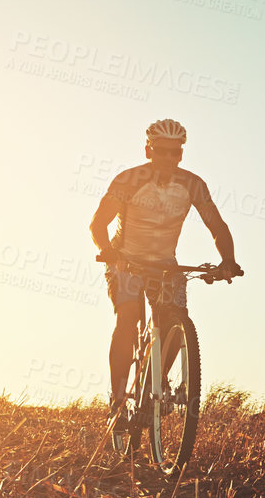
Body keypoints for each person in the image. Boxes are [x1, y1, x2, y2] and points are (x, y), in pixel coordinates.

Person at [89, 119, 241, 429]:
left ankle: (154, 387)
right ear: (148, 150)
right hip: (125, 260)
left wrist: (228, 259)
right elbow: (97, 224)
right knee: (128, 318)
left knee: (174, 319)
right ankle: (118, 402)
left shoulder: (193, 184)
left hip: (165, 264)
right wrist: (108, 250)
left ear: (181, 154)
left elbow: (217, 225)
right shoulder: (128, 180)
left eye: (175, 152)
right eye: (161, 151)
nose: (168, 159)